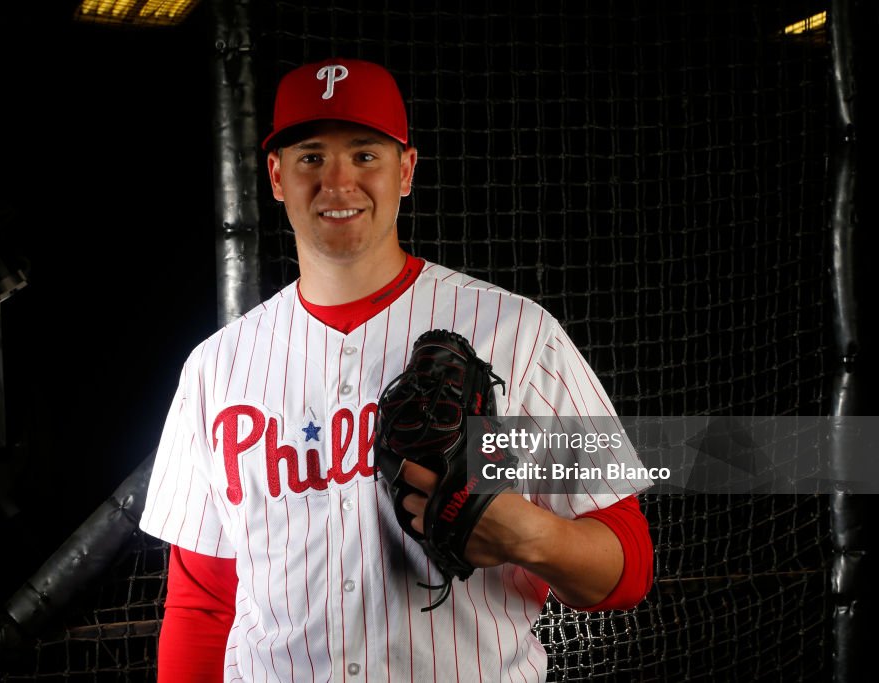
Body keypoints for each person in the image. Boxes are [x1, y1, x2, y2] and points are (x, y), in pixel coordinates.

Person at [139, 57, 654, 682]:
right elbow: (203, 602)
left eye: (364, 155)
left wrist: (531, 538)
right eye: (309, 157)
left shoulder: (518, 333)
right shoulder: (216, 367)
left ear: (405, 170)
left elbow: (629, 565)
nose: (337, 183)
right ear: (275, 176)